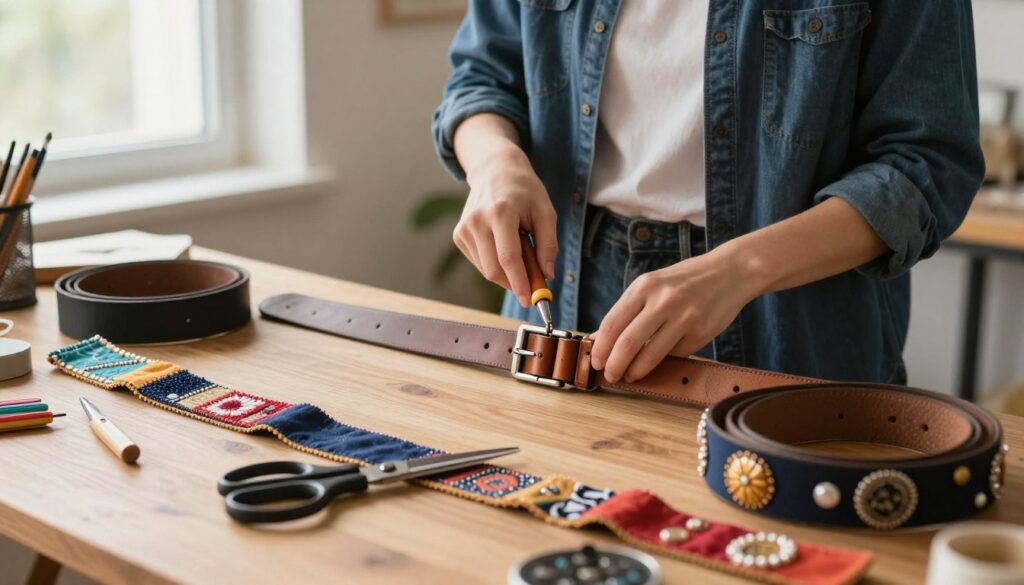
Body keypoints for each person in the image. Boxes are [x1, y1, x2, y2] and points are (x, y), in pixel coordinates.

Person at [432, 1, 983, 385]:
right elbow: (480, 77)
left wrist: (738, 271)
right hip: (566, 296)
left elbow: (926, 164)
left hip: (792, 323)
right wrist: (494, 162)